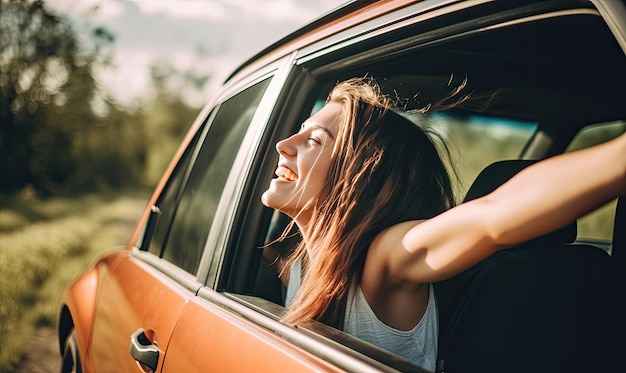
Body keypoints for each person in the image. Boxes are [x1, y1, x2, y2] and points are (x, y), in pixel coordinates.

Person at [260, 77, 626, 371]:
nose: (283, 145)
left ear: (361, 174)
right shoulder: (294, 267)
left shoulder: (386, 257)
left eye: (314, 140)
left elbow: (492, 217)